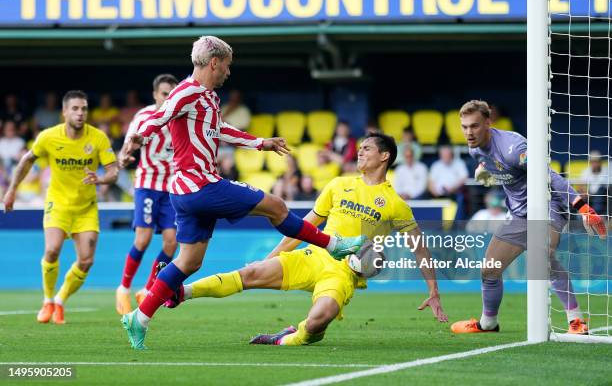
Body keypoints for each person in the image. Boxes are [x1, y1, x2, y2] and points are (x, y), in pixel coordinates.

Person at [118, 36, 366, 350]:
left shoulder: (207, 98)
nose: (229, 73)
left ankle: (138, 319)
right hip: (201, 185)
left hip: (185, 193)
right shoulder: (187, 91)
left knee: (189, 262)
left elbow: (220, 130)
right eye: (227, 66)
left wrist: (260, 142)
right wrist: (135, 139)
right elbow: (160, 115)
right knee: (276, 206)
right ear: (214, 63)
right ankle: (334, 245)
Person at [164, 133, 447, 346]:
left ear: (385, 156)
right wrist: (270, 259)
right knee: (250, 273)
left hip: (343, 274)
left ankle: (285, 338)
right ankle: (181, 292)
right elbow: (302, 227)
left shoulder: (395, 203)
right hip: (314, 256)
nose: (359, 152)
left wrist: (433, 290)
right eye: (359, 148)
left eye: (367, 148)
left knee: (316, 323)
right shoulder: (339, 185)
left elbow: (419, 248)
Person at [451, 100, 607, 335]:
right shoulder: (474, 149)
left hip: (548, 204)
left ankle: (576, 321)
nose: (468, 132)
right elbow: (488, 161)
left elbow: (550, 176)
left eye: (474, 126)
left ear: (488, 123)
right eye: (464, 127)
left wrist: (582, 207)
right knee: (489, 269)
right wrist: (482, 169)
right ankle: (488, 324)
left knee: (541, 259)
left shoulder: (514, 148)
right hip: (518, 213)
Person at [2, 90, 118, 324]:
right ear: (64, 112)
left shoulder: (98, 138)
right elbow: (27, 161)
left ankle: (60, 300)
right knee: (52, 250)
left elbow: (113, 171)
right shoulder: (48, 137)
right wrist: (12, 190)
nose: (80, 113)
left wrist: (101, 178)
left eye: (84, 108)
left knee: (86, 261)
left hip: (86, 207)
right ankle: (47, 300)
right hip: (58, 205)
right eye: (75, 108)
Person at [115, 74, 179, 315]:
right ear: (155, 95)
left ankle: (149, 289)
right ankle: (123, 288)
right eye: (164, 93)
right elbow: (130, 142)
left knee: (172, 243)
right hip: (148, 184)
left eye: (172, 93)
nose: (168, 98)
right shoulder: (143, 116)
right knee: (142, 239)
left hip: (172, 187)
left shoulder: (181, 117)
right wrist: (123, 156)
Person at [579, 150, 609, 215]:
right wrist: (584, 191)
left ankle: (597, 217)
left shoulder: (607, 171)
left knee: (601, 191)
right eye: (593, 162)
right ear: (590, 162)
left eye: (597, 161)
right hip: (589, 196)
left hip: (602, 197)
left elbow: (608, 189)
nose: (595, 164)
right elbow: (581, 186)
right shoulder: (585, 171)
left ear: (600, 162)